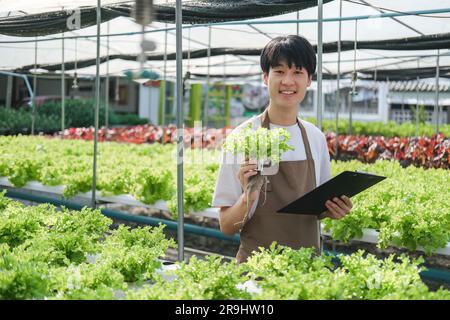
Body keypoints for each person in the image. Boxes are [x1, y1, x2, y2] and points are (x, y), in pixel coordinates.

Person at [212, 35, 353, 263]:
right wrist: (249, 197)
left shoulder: (315, 138)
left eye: (297, 72)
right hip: (256, 273)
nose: (288, 81)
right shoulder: (243, 138)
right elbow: (227, 226)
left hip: (307, 274)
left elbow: (319, 207)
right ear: (265, 77)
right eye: (279, 71)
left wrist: (333, 209)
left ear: (309, 80)